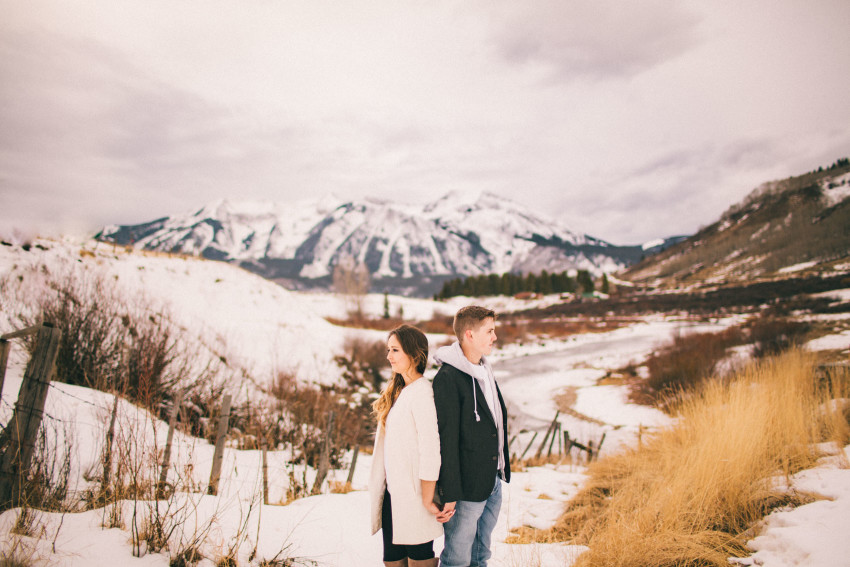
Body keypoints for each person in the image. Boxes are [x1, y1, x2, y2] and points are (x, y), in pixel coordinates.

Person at [432, 306, 511, 567]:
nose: (494, 337)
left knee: (480, 555)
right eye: (489, 331)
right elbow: (447, 441)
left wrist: (499, 471)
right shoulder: (448, 378)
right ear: (469, 334)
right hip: (465, 489)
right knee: (457, 557)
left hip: (492, 480)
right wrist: (450, 491)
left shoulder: (485, 370)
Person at [369, 324, 451, 567]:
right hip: (392, 497)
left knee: (419, 562)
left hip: (415, 498)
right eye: (388, 350)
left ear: (414, 355)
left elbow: (430, 450)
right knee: (392, 562)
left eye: (395, 350)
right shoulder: (398, 391)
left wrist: (427, 499)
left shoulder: (423, 392)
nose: (388, 356)